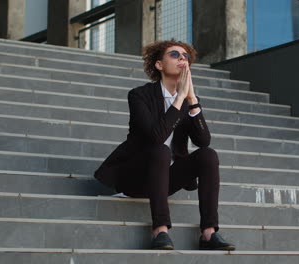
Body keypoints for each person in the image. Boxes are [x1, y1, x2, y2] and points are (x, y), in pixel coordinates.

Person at [94, 40, 235, 251]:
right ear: (159, 65)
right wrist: (179, 98)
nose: (182, 58)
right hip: (135, 176)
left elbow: (203, 141)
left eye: (186, 56)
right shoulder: (140, 95)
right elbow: (156, 137)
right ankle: (160, 230)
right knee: (161, 150)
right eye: (175, 54)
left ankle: (208, 233)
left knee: (208, 155)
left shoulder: (189, 100)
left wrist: (191, 98)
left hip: (165, 179)